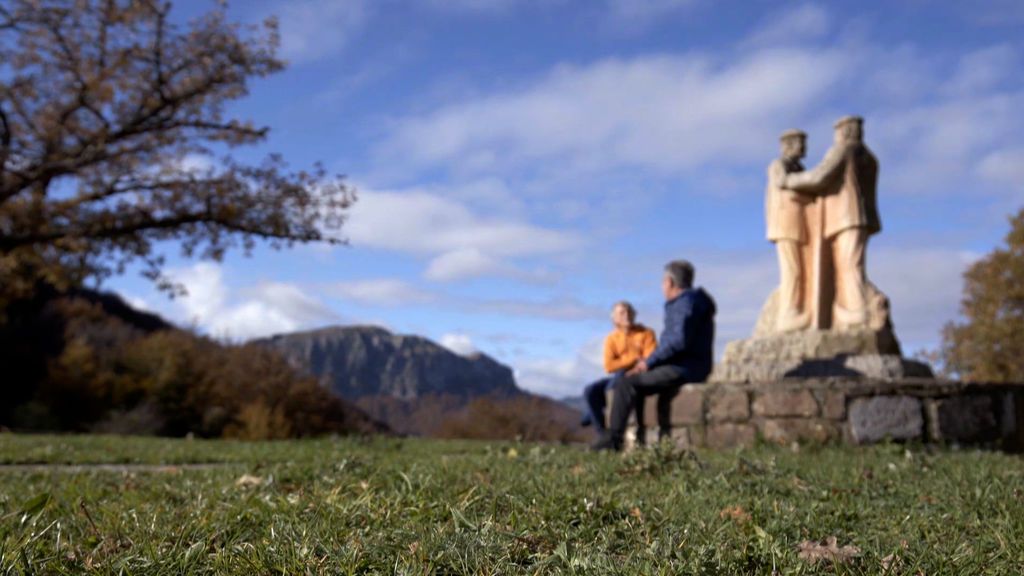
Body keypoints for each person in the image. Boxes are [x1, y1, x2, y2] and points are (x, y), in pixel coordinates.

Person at [593, 260, 716, 452]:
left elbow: (677, 341)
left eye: (662, 282)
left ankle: (614, 441)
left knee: (627, 383)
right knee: (632, 381)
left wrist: (647, 363)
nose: (662, 286)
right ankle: (632, 439)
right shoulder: (691, 302)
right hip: (690, 364)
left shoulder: (684, 304)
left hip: (686, 367)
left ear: (669, 282)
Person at [781, 115, 880, 330]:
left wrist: (788, 181)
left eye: (837, 132)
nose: (836, 137)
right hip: (859, 218)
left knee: (849, 264)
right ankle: (855, 310)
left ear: (844, 132)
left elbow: (820, 176)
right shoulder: (870, 157)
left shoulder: (843, 150)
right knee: (852, 262)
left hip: (845, 216)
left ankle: (856, 312)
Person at [580, 301, 657, 439]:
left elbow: (649, 358)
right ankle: (602, 435)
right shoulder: (611, 339)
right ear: (614, 318)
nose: (626, 315)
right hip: (617, 376)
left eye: (629, 312)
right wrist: (633, 359)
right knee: (590, 391)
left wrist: (624, 363)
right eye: (622, 313)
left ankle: (590, 416)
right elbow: (609, 366)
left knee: (619, 377)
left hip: (638, 376)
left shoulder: (646, 333)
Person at [766, 129, 811, 332]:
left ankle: (799, 308)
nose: (804, 148)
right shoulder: (779, 165)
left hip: (801, 223)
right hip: (786, 223)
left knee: (802, 270)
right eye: (801, 144)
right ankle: (789, 313)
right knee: (791, 269)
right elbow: (783, 183)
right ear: (789, 145)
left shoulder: (799, 168)